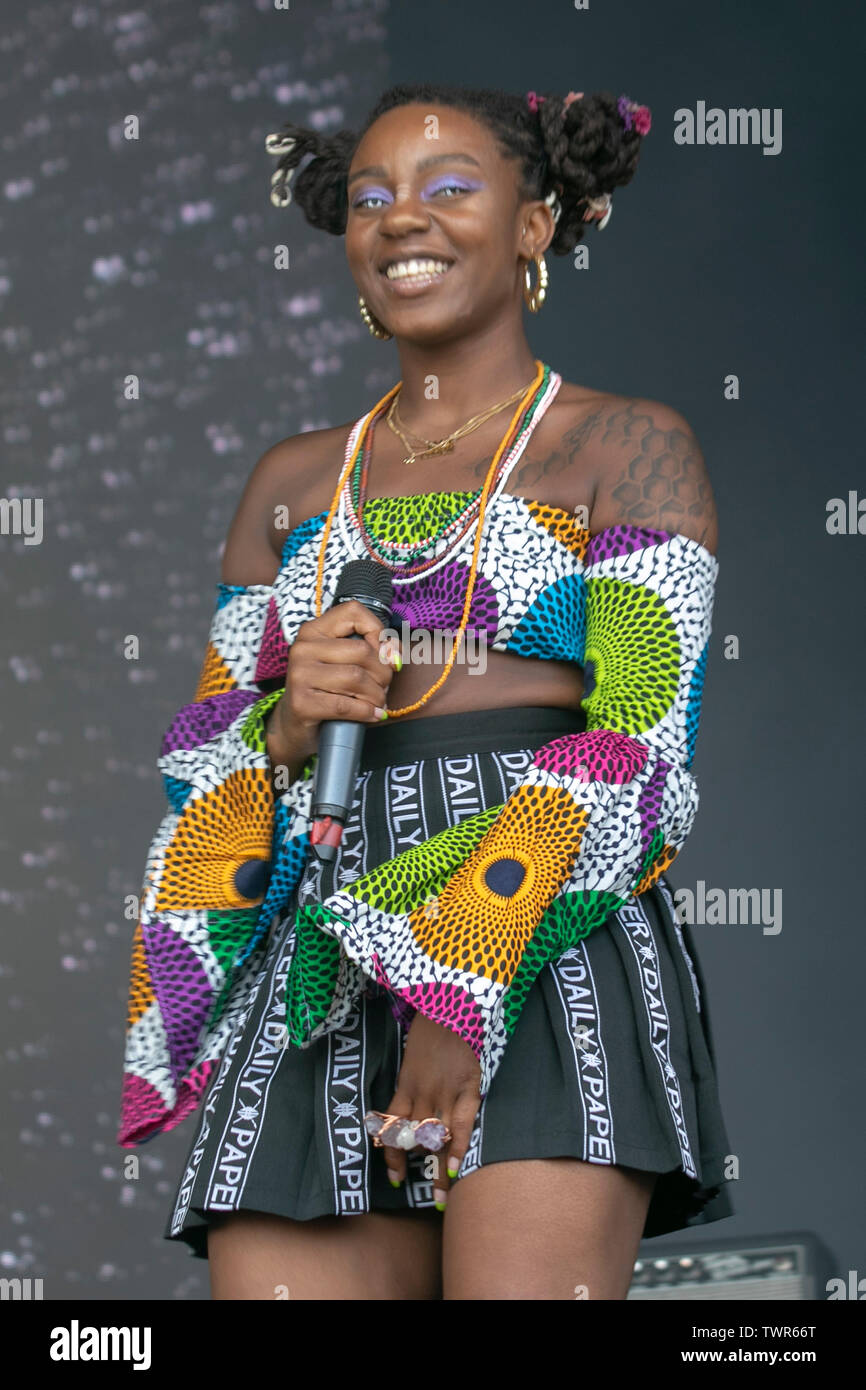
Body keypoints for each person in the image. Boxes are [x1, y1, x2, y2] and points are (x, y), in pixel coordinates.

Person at [118, 81, 734, 1300]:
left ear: (535, 223)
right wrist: (289, 723)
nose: (404, 218)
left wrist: (459, 986)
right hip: (317, 955)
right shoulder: (291, 484)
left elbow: (641, 755)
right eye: (371, 198)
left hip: (538, 931)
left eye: (451, 189)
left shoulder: (624, 445)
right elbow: (203, 763)